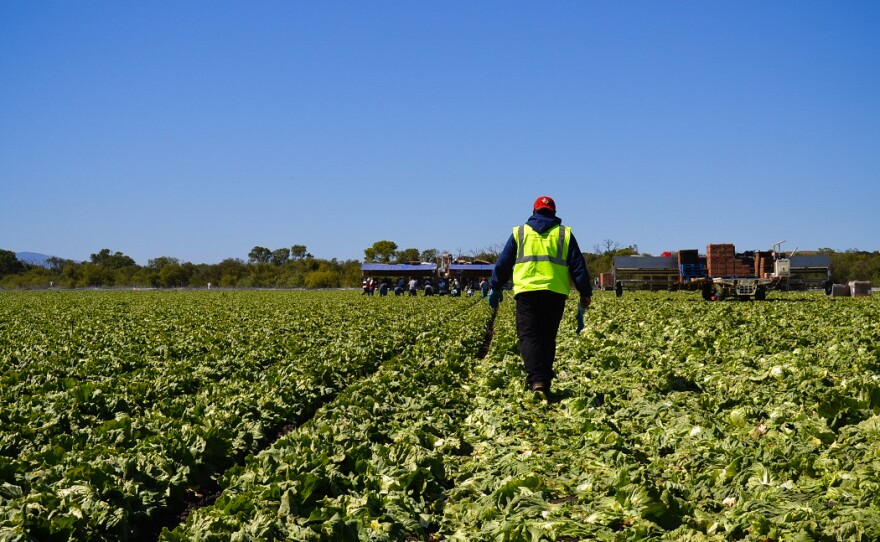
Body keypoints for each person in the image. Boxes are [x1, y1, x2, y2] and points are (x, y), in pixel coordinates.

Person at [488, 196, 592, 398]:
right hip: (555, 293)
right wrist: (585, 292)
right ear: (554, 212)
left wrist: (495, 286)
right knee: (547, 337)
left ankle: (537, 379)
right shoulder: (564, 234)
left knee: (529, 336)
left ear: (534, 212)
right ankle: (544, 379)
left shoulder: (520, 232)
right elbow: (578, 267)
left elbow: (503, 263)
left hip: (527, 292)